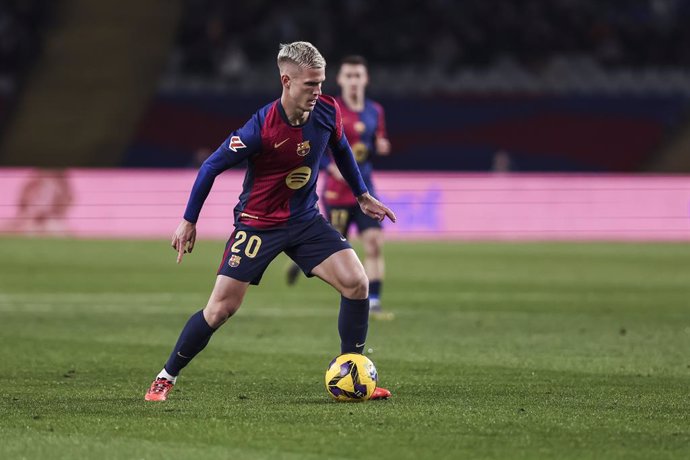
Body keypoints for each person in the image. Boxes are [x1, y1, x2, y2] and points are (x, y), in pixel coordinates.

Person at [145, 42, 396, 402]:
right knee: (220, 309)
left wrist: (361, 194)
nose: (318, 91)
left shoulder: (328, 110)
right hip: (258, 225)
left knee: (357, 283)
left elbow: (339, 146)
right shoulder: (260, 128)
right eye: (310, 84)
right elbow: (211, 166)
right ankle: (165, 377)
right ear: (287, 81)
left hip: (305, 220)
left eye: (321, 82)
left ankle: (354, 374)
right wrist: (188, 221)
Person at [286, 55, 392, 319]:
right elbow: (313, 145)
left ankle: (374, 301)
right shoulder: (329, 109)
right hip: (336, 192)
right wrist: (327, 166)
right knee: (331, 247)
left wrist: (381, 144)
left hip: (365, 190)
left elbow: (375, 139)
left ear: (365, 79)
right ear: (341, 79)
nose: (354, 81)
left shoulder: (375, 111)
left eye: (358, 75)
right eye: (349, 76)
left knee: (374, 244)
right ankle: (301, 262)